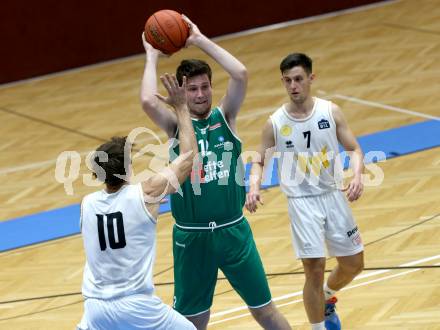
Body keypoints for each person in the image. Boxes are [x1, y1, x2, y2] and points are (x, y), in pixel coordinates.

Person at [140, 16, 291, 330]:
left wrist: (198, 39)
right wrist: (152, 55)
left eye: (205, 86)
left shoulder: (226, 115)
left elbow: (240, 73)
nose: (200, 94)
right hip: (191, 238)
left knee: (265, 311)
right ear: (182, 91)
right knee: (192, 323)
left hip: (233, 232)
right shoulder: (175, 125)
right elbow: (146, 100)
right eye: (192, 88)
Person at [245, 53, 365, 330]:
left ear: (311, 78)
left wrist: (357, 174)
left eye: (298, 79)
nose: (293, 86)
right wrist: (254, 186)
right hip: (301, 202)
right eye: (287, 81)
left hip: (333, 195)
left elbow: (355, 149)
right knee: (314, 268)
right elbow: (259, 158)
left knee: (353, 263)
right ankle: (318, 327)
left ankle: (326, 296)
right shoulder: (275, 122)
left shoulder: (330, 111)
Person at [77, 73, 198, 330]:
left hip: (95, 308)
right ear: (128, 167)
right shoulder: (146, 193)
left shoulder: (86, 204)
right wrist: (181, 108)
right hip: (136, 306)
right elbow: (188, 158)